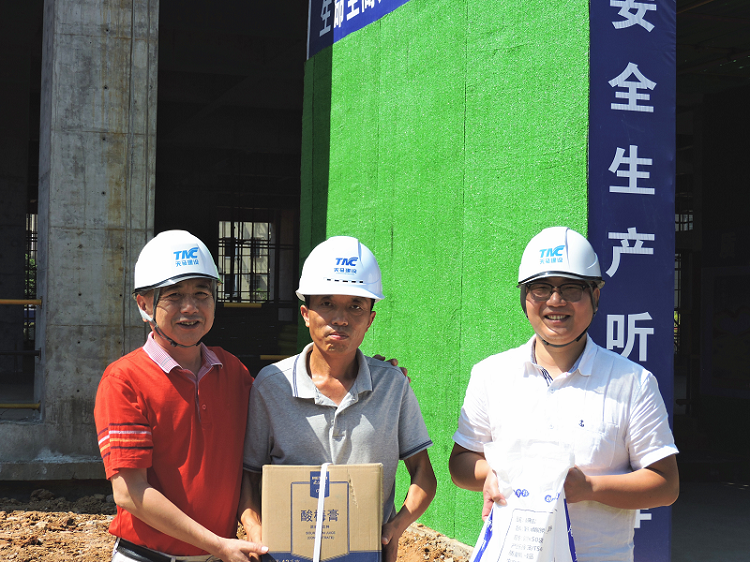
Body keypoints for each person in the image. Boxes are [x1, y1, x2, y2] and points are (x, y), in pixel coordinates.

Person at [448, 226, 679, 562]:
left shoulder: (632, 383)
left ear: (595, 296)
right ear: (524, 297)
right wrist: (493, 473)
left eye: (571, 288)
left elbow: (665, 484)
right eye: (541, 288)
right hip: (512, 553)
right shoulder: (491, 374)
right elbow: (460, 464)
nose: (555, 301)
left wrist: (590, 488)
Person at [239, 235, 437, 562]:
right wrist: (254, 528)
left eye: (355, 306)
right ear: (306, 313)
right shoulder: (272, 386)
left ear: (370, 319)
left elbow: (423, 474)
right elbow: (249, 474)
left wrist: (396, 526)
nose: (341, 318)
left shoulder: (393, 386)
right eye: (327, 303)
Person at [94, 230, 268, 562]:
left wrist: (251, 525)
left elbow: (249, 463)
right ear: (144, 304)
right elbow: (129, 491)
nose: (191, 307)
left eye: (202, 293)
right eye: (174, 295)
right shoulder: (124, 380)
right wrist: (219, 545)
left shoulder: (233, 372)